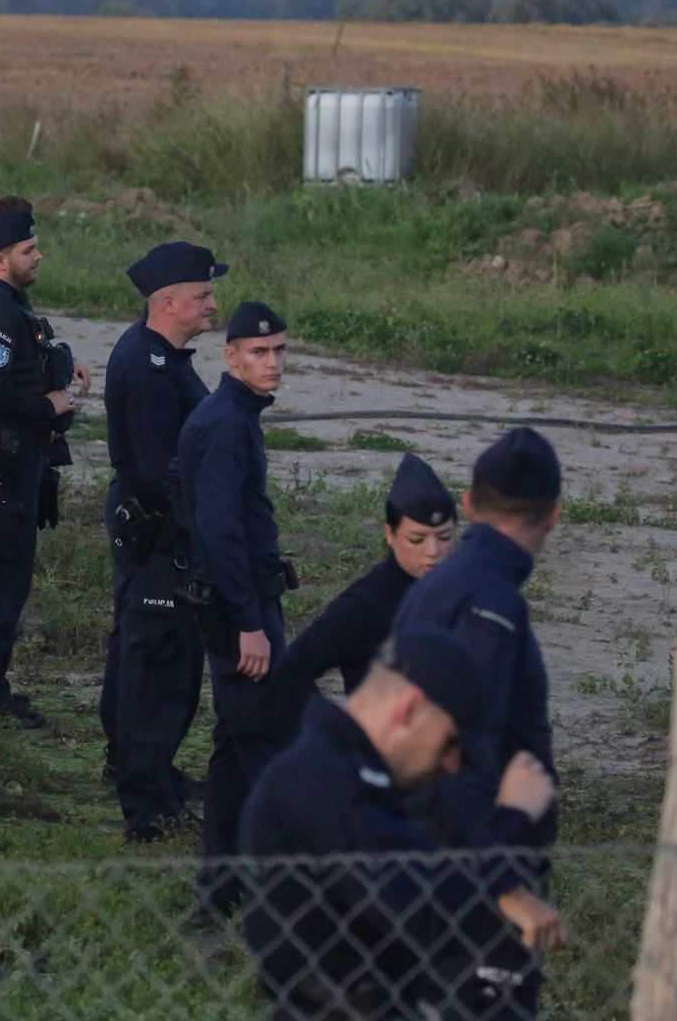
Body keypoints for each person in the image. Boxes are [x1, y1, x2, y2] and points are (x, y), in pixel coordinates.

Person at [241, 629, 566, 1020]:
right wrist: (512, 819)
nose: (451, 765)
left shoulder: (352, 774)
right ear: (410, 709)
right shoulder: (327, 782)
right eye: (450, 743)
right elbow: (427, 911)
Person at [173, 300, 295, 916]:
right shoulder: (224, 424)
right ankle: (286, 894)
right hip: (239, 612)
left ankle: (218, 891)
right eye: (259, 353)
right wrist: (250, 623)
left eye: (278, 352)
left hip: (242, 604)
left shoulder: (234, 415)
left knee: (232, 751)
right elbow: (219, 534)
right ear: (231, 356)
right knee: (272, 750)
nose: (272, 363)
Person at [100, 241, 224, 842]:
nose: (211, 304)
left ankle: (148, 773)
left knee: (144, 660)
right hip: (160, 540)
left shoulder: (161, 355)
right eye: (201, 296)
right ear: (168, 302)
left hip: (160, 535)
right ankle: (147, 802)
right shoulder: (149, 369)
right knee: (159, 669)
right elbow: (157, 471)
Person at [392, 427, 563, 855]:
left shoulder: (445, 580)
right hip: (464, 853)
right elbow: (466, 741)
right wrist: (500, 873)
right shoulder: (490, 604)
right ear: (553, 515)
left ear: (467, 504)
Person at [0, 202, 76, 727]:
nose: (39, 256)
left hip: (14, 457)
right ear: (1, 258)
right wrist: (47, 406)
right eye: (29, 250)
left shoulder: (6, 300)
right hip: (4, 458)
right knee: (0, 575)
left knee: (2, 573)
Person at [270, 452, 458, 731]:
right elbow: (292, 669)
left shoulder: (460, 590)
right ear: (391, 535)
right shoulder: (366, 603)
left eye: (444, 537)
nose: (433, 552)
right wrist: (339, 733)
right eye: (416, 539)